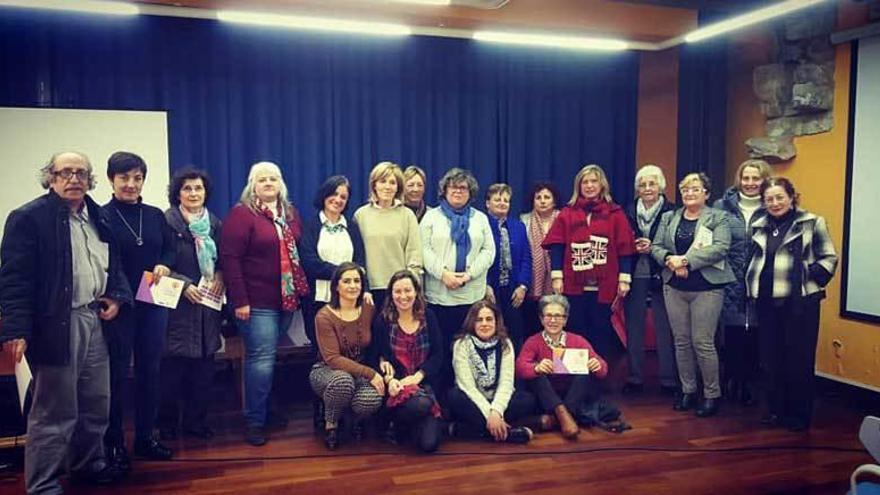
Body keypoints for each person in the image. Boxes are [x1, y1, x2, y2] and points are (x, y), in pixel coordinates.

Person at [0, 151, 132, 493]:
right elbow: (14, 280)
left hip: (96, 321)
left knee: (96, 403)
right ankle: (43, 484)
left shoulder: (99, 216)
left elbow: (114, 264)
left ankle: (89, 465)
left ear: (90, 179)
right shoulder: (28, 218)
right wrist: (15, 329)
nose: (74, 178)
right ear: (51, 178)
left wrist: (116, 296)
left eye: (81, 173)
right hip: (57, 325)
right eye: (65, 172)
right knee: (54, 412)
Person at [220, 161, 309, 446]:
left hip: (285, 300)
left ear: (281, 183)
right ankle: (254, 421)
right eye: (262, 180)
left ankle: (266, 411)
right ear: (252, 185)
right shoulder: (242, 215)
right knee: (260, 361)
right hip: (255, 303)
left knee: (269, 358)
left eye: (273, 178)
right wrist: (240, 301)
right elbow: (230, 261)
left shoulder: (291, 214)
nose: (269, 183)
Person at [746, 177, 837, 432]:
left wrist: (809, 276)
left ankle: (799, 415)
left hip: (801, 303)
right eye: (769, 199)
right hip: (766, 301)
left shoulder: (811, 222)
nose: (775, 203)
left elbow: (829, 257)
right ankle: (776, 410)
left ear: (792, 197)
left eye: (779, 197)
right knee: (771, 359)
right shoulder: (759, 225)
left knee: (798, 360)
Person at [103, 151, 176, 466]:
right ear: (111, 180)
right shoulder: (101, 216)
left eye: (137, 178)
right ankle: (114, 442)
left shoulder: (156, 214)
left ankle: (146, 437)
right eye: (124, 178)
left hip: (152, 302)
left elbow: (170, 249)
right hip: (119, 306)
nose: (131, 184)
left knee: (150, 372)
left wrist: (164, 264)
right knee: (116, 376)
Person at [652, 172, 734, 418]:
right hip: (674, 287)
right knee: (681, 341)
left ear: (707, 194)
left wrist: (686, 260)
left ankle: (711, 394)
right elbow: (656, 246)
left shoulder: (718, 217)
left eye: (695, 189)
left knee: (703, 342)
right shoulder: (669, 217)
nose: (689, 193)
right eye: (685, 189)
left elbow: (721, 247)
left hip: (707, 288)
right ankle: (688, 390)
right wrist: (669, 260)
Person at [543, 164, 636, 359]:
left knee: (600, 333)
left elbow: (625, 248)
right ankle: (573, 381)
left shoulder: (615, 213)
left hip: (604, 286)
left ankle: (598, 379)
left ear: (602, 185)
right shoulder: (568, 213)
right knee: (574, 332)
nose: (589, 185)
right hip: (573, 285)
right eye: (585, 182)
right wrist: (556, 277)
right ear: (579, 186)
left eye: (594, 181)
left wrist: (624, 279)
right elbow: (557, 246)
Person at [157, 167, 223, 441]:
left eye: (198, 188)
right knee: (172, 374)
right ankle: (168, 427)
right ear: (177, 193)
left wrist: (220, 274)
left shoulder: (215, 225)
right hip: (175, 309)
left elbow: (223, 261)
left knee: (203, 374)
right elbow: (155, 268)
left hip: (208, 309)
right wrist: (183, 285)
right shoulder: (165, 222)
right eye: (187, 188)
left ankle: (196, 423)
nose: (193, 193)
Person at [420, 167, 495, 387]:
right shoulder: (431, 217)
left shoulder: (480, 219)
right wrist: (443, 275)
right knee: (442, 350)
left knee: (469, 350)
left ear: (470, 192)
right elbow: (423, 249)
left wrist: (467, 276)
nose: (458, 191)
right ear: (444, 190)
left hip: (471, 297)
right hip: (439, 296)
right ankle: (442, 402)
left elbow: (489, 252)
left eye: (463, 188)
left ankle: (468, 395)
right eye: (453, 187)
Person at [713, 159, 771, 405]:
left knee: (757, 331)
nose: (750, 183)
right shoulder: (721, 206)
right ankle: (731, 380)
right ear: (739, 180)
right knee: (732, 331)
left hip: (761, 280)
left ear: (764, 180)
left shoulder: (773, 205)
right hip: (728, 279)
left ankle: (748, 382)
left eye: (755, 179)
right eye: (745, 178)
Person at [310, 262, 384, 450]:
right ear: (336, 286)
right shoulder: (324, 316)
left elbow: (378, 342)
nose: (353, 286)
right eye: (347, 281)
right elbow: (333, 358)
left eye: (357, 281)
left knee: (372, 398)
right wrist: (371, 373)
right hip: (327, 371)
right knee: (343, 382)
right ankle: (331, 424)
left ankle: (350, 418)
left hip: (358, 372)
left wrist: (382, 363)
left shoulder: (368, 308)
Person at [515, 294, 608, 439]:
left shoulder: (578, 340)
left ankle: (556, 419)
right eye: (548, 315)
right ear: (541, 319)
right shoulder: (533, 341)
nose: (553, 320)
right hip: (545, 397)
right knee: (537, 377)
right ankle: (564, 417)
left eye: (558, 316)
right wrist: (536, 368)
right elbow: (520, 367)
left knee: (585, 374)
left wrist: (597, 365)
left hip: (572, 395)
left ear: (565, 320)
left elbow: (603, 369)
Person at [371, 270, 444, 452]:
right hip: (397, 388)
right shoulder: (382, 321)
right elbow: (376, 357)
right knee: (423, 404)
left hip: (423, 384)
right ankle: (395, 422)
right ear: (391, 295)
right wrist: (390, 380)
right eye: (397, 291)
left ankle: (401, 429)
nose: (403, 296)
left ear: (416, 292)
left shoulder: (429, 316)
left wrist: (418, 377)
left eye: (408, 290)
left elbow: (438, 354)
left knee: (429, 445)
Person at [447, 300, 536, 444]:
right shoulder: (461, 344)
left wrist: (496, 412)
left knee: (527, 399)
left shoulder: (505, 344)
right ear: (472, 323)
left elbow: (506, 384)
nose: (484, 324)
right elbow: (467, 387)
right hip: (473, 401)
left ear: (496, 322)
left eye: (489, 319)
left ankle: (467, 431)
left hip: (498, 401)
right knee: (454, 397)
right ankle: (509, 434)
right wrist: (490, 414)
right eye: (479, 320)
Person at [622, 165, 677, 395]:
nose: (647, 188)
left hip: (662, 273)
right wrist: (633, 247)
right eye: (642, 184)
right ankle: (635, 377)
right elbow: (620, 241)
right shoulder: (627, 211)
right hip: (633, 274)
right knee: (634, 328)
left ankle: (668, 380)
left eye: (652, 184)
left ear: (661, 186)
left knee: (665, 328)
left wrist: (653, 248)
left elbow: (677, 244)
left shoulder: (673, 211)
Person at [300, 175, 367, 347]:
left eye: (343, 197)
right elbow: (310, 263)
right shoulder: (310, 226)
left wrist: (347, 280)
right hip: (318, 300)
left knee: (349, 346)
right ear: (324, 195)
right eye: (334, 194)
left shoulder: (352, 228)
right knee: (322, 348)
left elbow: (360, 261)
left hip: (349, 299)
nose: (338, 200)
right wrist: (344, 275)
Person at [353, 161, 422, 311]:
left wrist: (408, 287)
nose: (387, 186)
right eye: (382, 181)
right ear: (374, 185)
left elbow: (414, 255)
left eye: (392, 182)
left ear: (398, 187)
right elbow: (356, 255)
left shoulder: (407, 215)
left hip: (399, 291)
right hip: (368, 290)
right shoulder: (361, 215)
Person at [485, 183, 531, 351]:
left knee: (515, 334)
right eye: (497, 199)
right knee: (490, 332)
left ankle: (514, 374)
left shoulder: (519, 226)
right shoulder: (481, 224)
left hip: (513, 290)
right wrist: (485, 284)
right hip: (489, 289)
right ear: (487, 203)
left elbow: (526, 257)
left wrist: (523, 286)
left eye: (506, 200)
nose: (502, 203)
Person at [520, 182, 561, 335]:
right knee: (532, 324)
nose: (543, 201)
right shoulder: (524, 220)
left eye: (547, 197)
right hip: (532, 282)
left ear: (554, 201)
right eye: (538, 198)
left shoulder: (562, 218)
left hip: (557, 281)